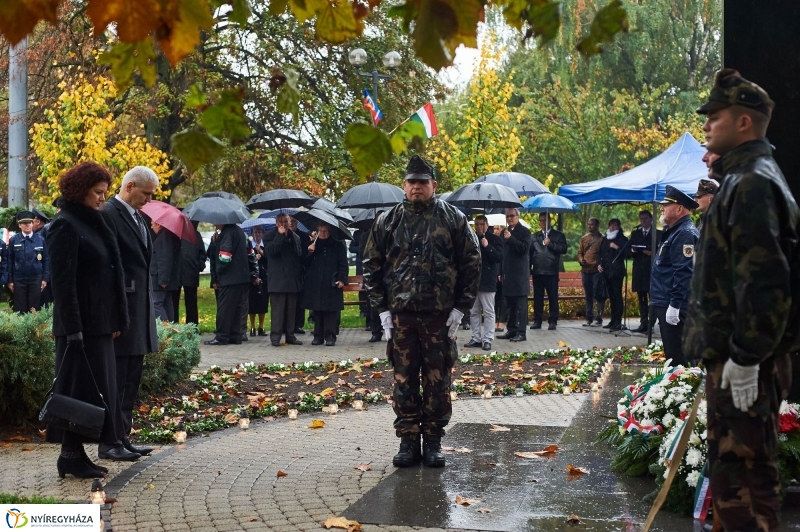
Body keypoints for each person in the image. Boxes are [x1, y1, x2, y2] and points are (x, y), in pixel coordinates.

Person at [685, 68, 799, 531]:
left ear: (745, 122)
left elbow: (765, 281)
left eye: (715, 115)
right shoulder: (741, 178)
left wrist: (748, 355)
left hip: (747, 360)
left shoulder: (752, 181)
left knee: (746, 483)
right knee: (734, 480)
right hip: (737, 357)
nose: (707, 123)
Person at [363, 154, 480, 469]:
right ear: (404, 185)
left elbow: (471, 262)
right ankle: (408, 440)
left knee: (437, 379)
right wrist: (382, 310)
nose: (416, 188)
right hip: (401, 318)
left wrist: (460, 307)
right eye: (411, 182)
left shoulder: (452, 219)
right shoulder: (387, 221)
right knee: (404, 379)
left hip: (438, 317)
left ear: (434, 185)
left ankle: (433, 441)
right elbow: (371, 266)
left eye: (422, 182)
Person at [45, 161, 129, 477]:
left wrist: (116, 318)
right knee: (77, 391)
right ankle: (69, 455)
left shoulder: (92, 222)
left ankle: (73, 454)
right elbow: (63, 285)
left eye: (105, 193)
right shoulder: (65, 225)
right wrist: (73, 329)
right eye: (97, 192)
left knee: (92, 390)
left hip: (98, 325)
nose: (101, 199)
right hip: (79, 327)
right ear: (81, 191)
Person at [100, 166, 160, 462]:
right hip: (121, 313)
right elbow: (108, 268)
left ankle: (122, 436)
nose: (149, 200)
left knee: (130, 379)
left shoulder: (138, 216)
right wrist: (113, 315)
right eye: (145, 193)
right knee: (117, 378)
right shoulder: (110, 214)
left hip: (138, 311)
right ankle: (109, 441)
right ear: (130, 185)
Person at [650, 185, 699, 366]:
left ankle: (684, 391)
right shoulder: (675, 230)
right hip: (665, 300)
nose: (662, 207)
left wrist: (675, 305)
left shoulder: (684, 233)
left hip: (674, 304)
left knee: (678, 357)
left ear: (679, 209)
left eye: (666, 205)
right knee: (673, 354)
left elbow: (683, 272)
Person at [205, 223, 258, 345]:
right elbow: (250, 253)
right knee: (237, 308)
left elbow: (224, 257)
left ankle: (221, 336)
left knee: (224, 308)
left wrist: (218, 274)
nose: (214, 223)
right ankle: (235, 335)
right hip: (242, 277)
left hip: (229, 278)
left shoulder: (227, 233)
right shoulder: (239, 231)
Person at [301, 222, 348, 346]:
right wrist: (310, 252)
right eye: (321, 231)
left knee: (330, 311)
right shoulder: (312, 245)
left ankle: (330, 336)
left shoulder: (338, 246)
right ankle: (318, 336)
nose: (323, 233)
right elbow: (304, 263)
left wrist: (342, 279)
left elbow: (343, 264)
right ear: (316, 231)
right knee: (317, 310)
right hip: (316, 282)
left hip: (331, 282)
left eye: (326, 231)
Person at [264, 213, 304, 346]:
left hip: (292, 279)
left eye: (286, 222)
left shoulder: (295, 237)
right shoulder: (269, 236)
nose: (284, 224)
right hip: (278, 280)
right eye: (281, 222)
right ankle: (275, 337)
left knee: (291, 311)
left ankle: (290, 336)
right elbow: (272, 251)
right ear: (276, 223)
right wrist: (280, 236)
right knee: (278, 311)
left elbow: (298, 255)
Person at [464, 215, 503, 351]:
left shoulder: (494, 239)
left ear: (487, 225)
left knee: (488, 311)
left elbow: (498, 257)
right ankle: (476, 338)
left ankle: (487, 339)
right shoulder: (471, 238)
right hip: (474, 280)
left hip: (487, 280)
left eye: (482, 224)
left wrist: (488, 246)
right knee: (473, 311)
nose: (479, 227)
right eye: (477, 224)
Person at [529, 213, 567, 331]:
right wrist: (529, 269)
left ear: (549, 221)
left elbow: (564, 249)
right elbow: (530, 253)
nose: (542, 223)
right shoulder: (535, 236)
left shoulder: (558, 235)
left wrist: (551, 244)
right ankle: (537, 320)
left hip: (551, 272)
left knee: (552, 297)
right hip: (538, 272)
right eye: (540, 221)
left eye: (544, 221)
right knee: (538, 297)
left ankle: (553, 321)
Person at [7, 211, 49, 313]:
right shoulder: (14, 240)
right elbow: (9, 260)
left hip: (35, 278)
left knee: (34, 308)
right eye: (24, 223)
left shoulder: (40, 239)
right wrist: (10, 280)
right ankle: (21, 329)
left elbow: (46, 260)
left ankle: (35, 329)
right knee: (20, 308)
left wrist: (45, 278)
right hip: (19, 278)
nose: (27, 225)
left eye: (29, 223)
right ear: (19, 225)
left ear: (32, 223)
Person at [499, 208, 531, 342]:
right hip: (508, 274)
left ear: (518, 216)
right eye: (507, 216)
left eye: (512, 216)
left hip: (519, 275)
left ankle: (521, 332)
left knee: (520, 306)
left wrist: (511, 238)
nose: (509, 219)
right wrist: (500, 271)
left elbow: (523, 249)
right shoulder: (504, 232)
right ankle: (511, 330)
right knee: (509, 304)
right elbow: (502, 254)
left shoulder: (524, 231)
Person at [627, 211, 661, 333]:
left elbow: (663, 252)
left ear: (651, 219)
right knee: (641, 298)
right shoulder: (635, 233)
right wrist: (633, 251)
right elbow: (628, 250)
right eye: (641, 219)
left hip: (652, 270)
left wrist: (652, 253)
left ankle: (651, 324)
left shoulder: (658, 234)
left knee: (653, 298)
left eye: (646, 218)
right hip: (639, 270)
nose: (643, 221)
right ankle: (643, 323)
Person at [172, 220, 207, 326]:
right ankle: (174, 326)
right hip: (176, 272)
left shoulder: (195, 235)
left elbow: (202, 252)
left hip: (190, 271)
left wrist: (199, 265)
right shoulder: (174, 234)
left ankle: (192, 326)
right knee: (173, 302)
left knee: (191, 302)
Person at [597, 218, 629, 331]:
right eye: (611, 225)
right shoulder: (605, 239)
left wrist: (617, 247)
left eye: (615, 225)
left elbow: (628, 254)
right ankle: (612, 320)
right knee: (611, 297)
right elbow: (600, 253)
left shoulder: (622, 239)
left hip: (617, 272)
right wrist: (599, 264)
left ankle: (618, 321)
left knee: (617, 297)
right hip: (606, 272)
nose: (612, 227)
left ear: (619, 227)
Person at [149, 219, 181, 322]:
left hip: (160, 277)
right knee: (167, 303)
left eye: (152, 224)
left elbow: (164, 258)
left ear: (158, 224)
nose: (151, 227)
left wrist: (163, 279)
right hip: (164, 277)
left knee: (156, 304)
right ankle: (171, 330)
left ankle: (167, 330)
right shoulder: (167, 235)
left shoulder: (164, 236)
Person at [577, 218, 605, 326]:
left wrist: (598, 263)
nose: (590, 226)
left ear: (597, 225)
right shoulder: (584, 238)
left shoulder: (602, 239)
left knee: (598, 295)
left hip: (596, 271)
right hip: (585, 270)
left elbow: (603, 254)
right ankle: (589, 318)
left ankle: (599, 318)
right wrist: (581, 260)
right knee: (588, 295)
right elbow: (580, 252)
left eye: (592, 225)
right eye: (588, 225)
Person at [289, 216, 309, 335]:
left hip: (300, 271)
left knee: (300, 300)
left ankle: (298, 324)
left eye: (293, 221)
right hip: (287, 273)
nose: (291, 223)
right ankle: (288, 325)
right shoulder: (283, 235)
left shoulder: (304, 236)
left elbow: (306, 254)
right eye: (289, 221)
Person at [248, 225, 269, 336]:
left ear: (263, 234)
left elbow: (270, 261)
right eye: (255, 232)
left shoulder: (265, 247)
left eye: (260, 231)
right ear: (252, 234)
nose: (257, 234)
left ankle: (261, 326)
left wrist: (262, 253)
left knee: (263, 302)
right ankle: (252, 327)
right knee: (252, 303)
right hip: (252, 278)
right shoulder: (249, 247)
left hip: (264, 277)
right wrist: (254, 258)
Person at [493, 224, 506, 333]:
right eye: (494, 229)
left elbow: (502, 258)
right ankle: (494, 320)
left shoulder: (504, 240)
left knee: (502, 298)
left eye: (497, 229)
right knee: (494, 298)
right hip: (493, 272)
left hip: (502, 272)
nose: (495, 231)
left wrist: (500, 272)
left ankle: (501, 320)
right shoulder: (492, 240)